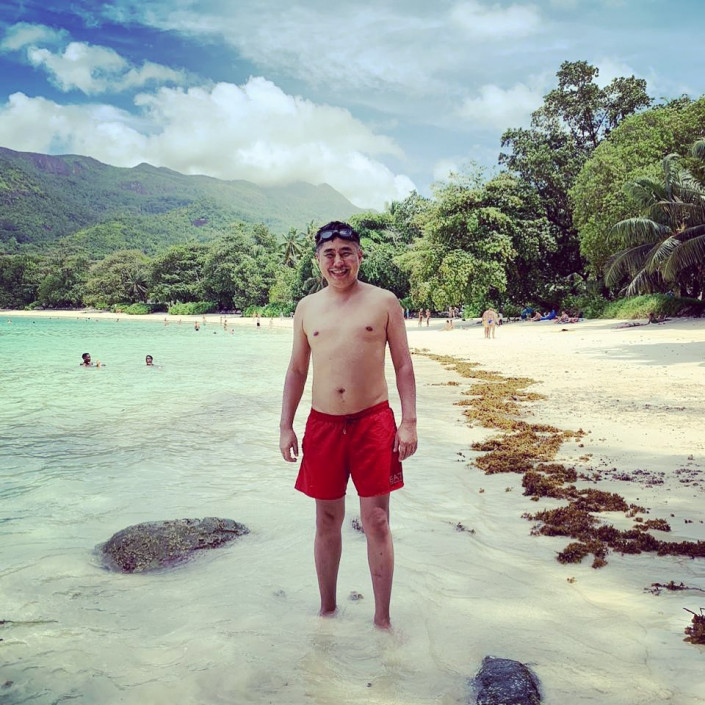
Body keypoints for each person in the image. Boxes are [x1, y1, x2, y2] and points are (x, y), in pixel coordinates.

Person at [279, 221, 417, 630]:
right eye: (329, 254)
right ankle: (327, 613)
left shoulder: (384, 301)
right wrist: (285, 426)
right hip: (323, 425)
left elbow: (403, 365)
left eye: (345, 253)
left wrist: (409, 422)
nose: (338, 262)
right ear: (317, 260)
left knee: (377, 520)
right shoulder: (307, 308)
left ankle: (382, 621)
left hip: (373, 422)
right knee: (326, 520)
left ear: (359, 256)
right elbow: (297, 369)